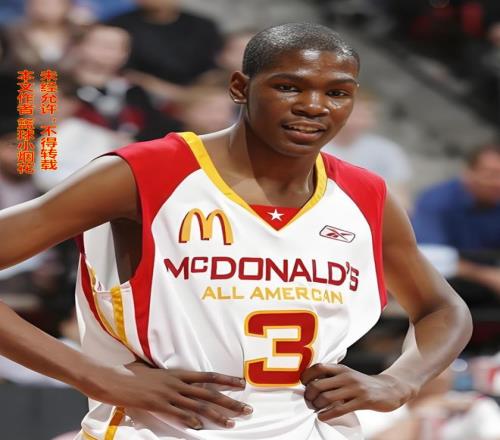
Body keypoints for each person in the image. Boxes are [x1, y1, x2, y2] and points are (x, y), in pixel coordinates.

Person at [0, 23, 472, 439]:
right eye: (288, 87)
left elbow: (443, 308)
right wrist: (97, 376)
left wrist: (399, 381)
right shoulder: (142, 171)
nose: (313, 106)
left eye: (337, 93)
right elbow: (32, 155)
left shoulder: (366, 194)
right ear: (239, 87)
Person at [412, 143, 500, 309]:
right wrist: (487, 276)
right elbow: (428, 257)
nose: (497, 182)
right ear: (468, 173)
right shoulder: (437, 200)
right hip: (449, 284)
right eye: (491, 174)